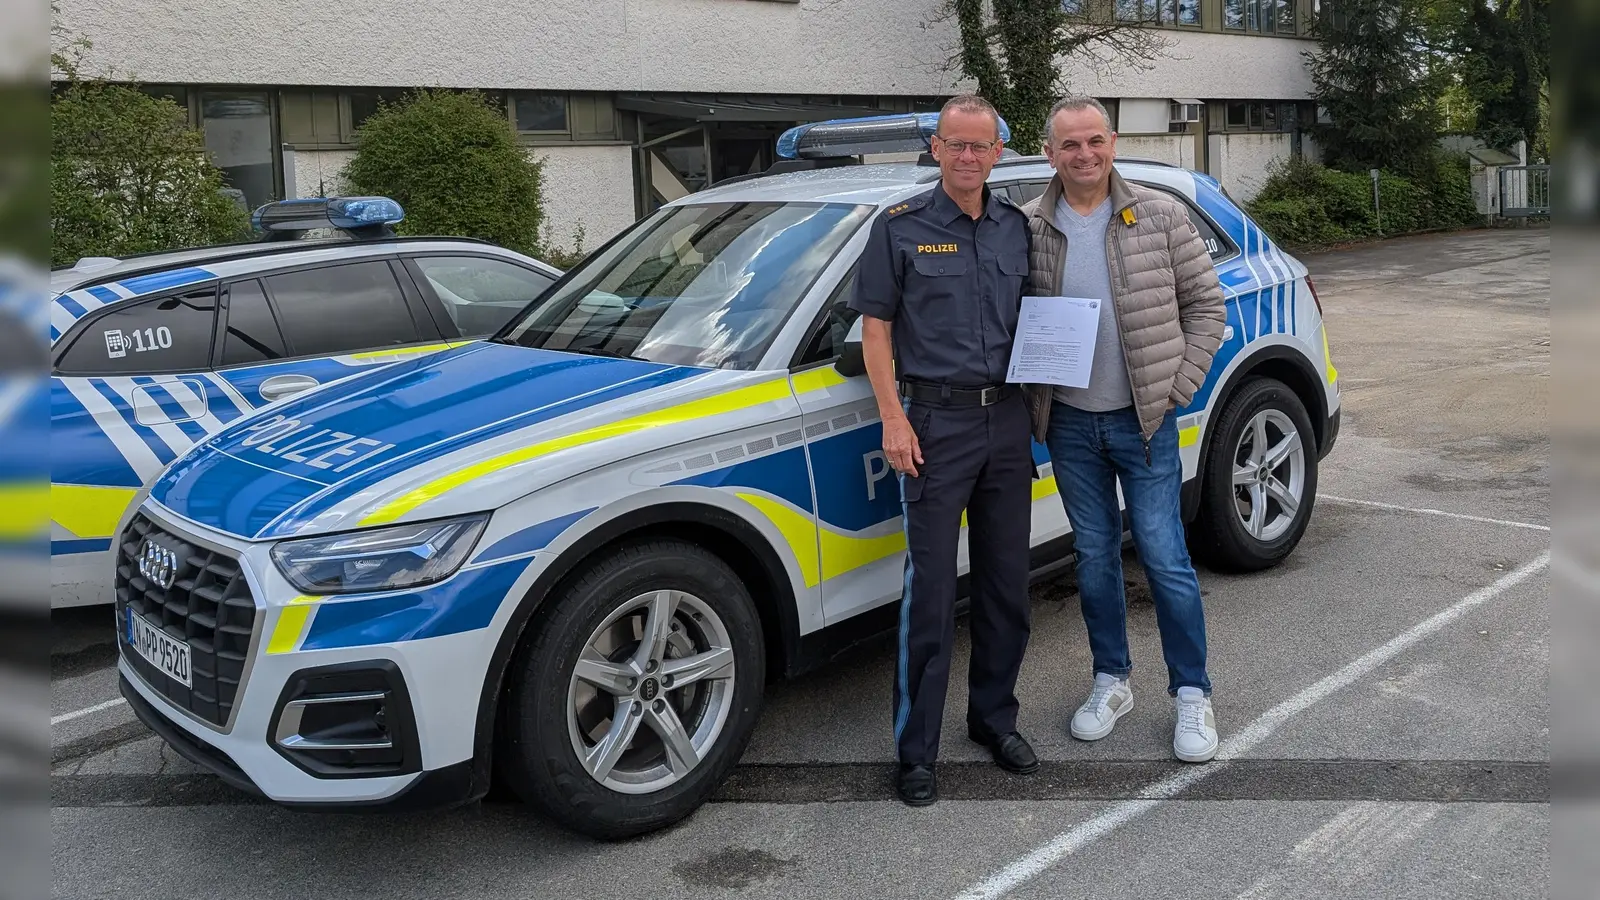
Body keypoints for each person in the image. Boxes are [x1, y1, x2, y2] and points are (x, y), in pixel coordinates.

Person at [1022, 96, 1228, 763]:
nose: (1084, 155)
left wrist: (1176, 388)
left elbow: (1207, 307)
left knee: (1166, 561)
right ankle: (1112, 681)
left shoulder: (1160, 215)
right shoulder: (1031, 226)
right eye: (1069, 145)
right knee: (1094, 561)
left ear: (1111, 142)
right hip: (1072, 428)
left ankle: (1192, 694)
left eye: (1094, 141)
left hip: (1145, 425)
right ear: (1050, 153)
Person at [848, 94, 1038, 806]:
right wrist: (893, 420)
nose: (967, 156)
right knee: (929, 595)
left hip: (1008, 422)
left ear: (997, 152)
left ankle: (994, 719)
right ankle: (917, 750)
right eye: (954, 144)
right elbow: (875, 331)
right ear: (935, 149)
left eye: (979, 146)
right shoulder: (898, 228)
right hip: (932, 426)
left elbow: (1046, 321)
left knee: (1004, 584)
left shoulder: (1018, 228)